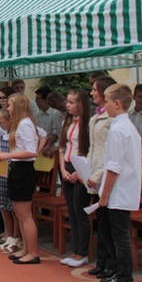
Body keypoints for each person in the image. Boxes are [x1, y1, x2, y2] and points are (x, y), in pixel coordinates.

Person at [95, 83, 142, 282]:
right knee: (110, 233)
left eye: (106, 100)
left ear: (116, 103)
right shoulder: (123, 126)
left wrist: (104, 195)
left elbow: (114, 166)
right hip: (121, 190)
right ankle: (118, 274)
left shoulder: (119, 128)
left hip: (120, 192)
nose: (103, 105)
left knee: (120, 238)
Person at [0, 93, 41, 264]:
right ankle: (26, 249)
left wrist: (7, 155)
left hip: (23, 169)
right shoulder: (20, 124)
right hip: (17, 168)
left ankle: (33, 252)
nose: (8, 108)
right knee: (20, 214)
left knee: (25, 215)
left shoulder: (25, 124)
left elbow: (31, 151)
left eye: (11, 105)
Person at [83, 75, 117, 279]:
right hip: (95, 174)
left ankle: (111, 264)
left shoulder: (112, 119)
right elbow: (93, 148)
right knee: (101, 223)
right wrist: (86, 170)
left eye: (95, 90)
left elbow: (108, 153)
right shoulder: (95, 117)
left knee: (109, 223)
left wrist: (96, 174)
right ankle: (102, 261)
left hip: (105, 175)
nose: (92, 93)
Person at [58, 89, 92, 268]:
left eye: (71, 102)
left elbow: (90, 150)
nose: (67, 105)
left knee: (80, 211)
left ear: (81, 104)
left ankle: (83, 252)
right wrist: (63, 169)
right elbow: (62, 147)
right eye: (68, 102)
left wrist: (80, 172)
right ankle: (75, 249)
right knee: (71, 211)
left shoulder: (88, 124)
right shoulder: (68, 121)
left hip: (81, 167)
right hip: (67, 166)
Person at [0, 108, 21, 254]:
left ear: (10, 120)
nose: (0, 125)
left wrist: (6, 155)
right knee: (3, 205)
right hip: (2, 172)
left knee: (13, 207)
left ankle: (16, 237)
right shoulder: (3, 134)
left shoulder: (17, 133)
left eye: (2, 122)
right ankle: (9, 236)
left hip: (13, 172)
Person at [34, 87, 62, 157]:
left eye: (38, 99)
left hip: (51, 148)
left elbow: (55, 133)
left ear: (45, 100)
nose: (35, 101)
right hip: (39, 147)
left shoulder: (55, 113)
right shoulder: (38, 115)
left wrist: (47, 144)